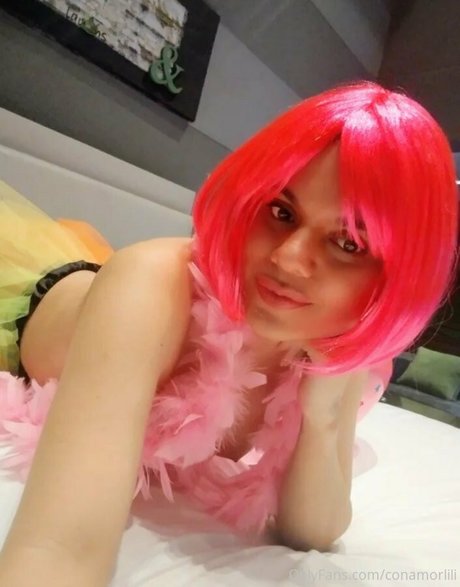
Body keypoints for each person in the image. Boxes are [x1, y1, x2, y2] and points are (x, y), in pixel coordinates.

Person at [0, 81, 457, 586]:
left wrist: (323, 415)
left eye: (347, 243)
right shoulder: (148, 287)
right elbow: (60, 547)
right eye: (281, 212)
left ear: (396, 276)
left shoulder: (338, 346)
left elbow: (315, 529)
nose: (288, 259)